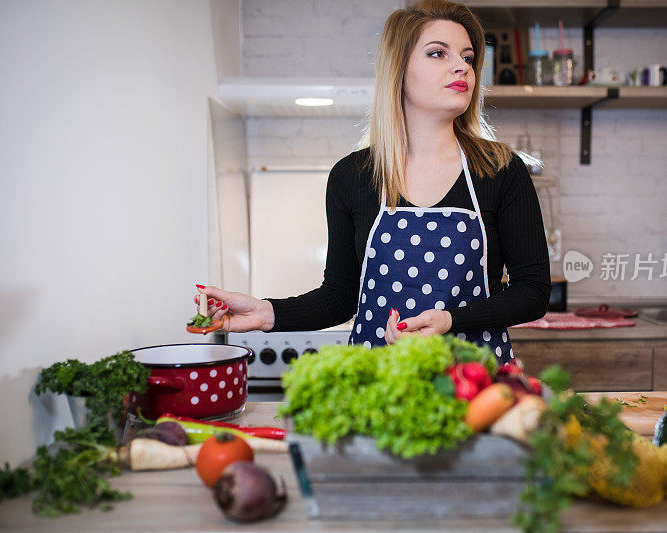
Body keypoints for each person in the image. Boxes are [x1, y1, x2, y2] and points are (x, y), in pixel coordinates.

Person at [196, 0, 550, 364]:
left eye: (467, 57)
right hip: (377, 381)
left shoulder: (500, 169)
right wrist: (265, 312)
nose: (461, 66)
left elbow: (534, 292)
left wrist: (451, 320)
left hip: (475, 386)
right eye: (437, 54)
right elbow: (340, 297)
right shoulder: (353, 177)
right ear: (399, 69)